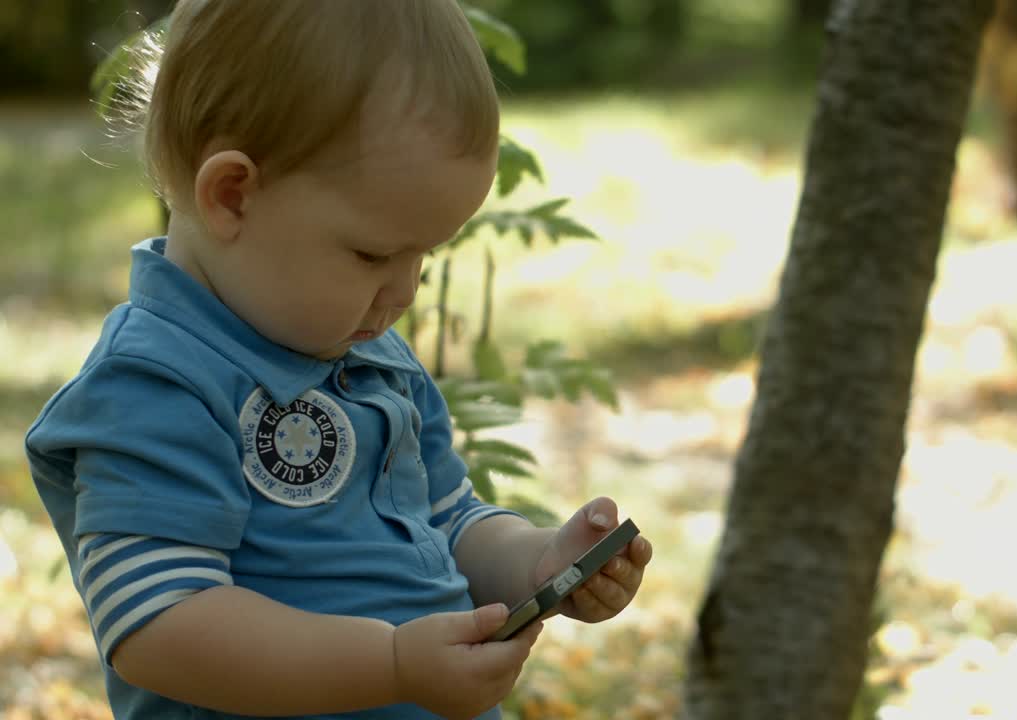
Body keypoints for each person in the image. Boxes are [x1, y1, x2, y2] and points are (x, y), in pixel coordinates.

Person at [24, 2, 652, 718]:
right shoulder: (156, 384)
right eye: (373, 253)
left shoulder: (369, 356)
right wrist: (388, 667)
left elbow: (448, 523)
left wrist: (538, 563)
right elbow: (160, 626)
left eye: (427, 253)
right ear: (232, 195)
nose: (407, 289)